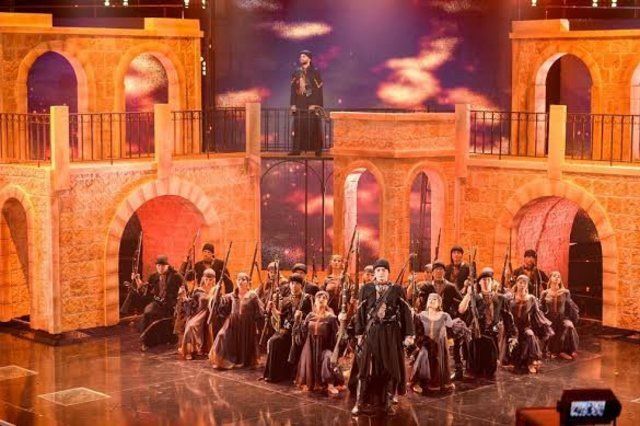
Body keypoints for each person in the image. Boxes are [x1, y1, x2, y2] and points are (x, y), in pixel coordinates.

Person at [352, 259, 414, 416]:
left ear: (388, 273)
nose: (381, 273)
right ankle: (360, 402)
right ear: (374, 273)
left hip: (391, 332)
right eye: (378, 270)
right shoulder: (366, 289)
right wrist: (359, 333)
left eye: (384, 270)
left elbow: (406, 312)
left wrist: (409, 334)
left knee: (390, 367)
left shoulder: (397, 289)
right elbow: (360, 313)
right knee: (366, 367)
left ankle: (387, 402)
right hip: (372, 331)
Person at [458, 267, 515, 379]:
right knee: (475, 370)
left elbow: (508, 318)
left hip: (493, 335)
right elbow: (461, 310)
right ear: (479, 283)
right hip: (477, 335)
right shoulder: (474, 297)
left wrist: (513, 335)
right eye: (483, 280)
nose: (486, 282)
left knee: (490, 371)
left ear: (492, 282)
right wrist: (468, 295)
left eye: (489, 280)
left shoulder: (500, 298)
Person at [262, 274, 313, 382]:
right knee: (273, 341)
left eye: (297, 283)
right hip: (286, 330)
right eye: (292, 283)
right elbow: (281, 317)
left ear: (301, 285)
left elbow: (311, 316)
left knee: (276, 341)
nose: (294, 286)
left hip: (300, 332)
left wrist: (301, 317)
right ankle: (274, 375)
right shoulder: (286, 300)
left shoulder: (307, 299)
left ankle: (283, 374)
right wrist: (273, 308)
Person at [295, 291, 345, 395]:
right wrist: (298, 320)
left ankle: (330, 384)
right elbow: (303, 332)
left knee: (328, 357)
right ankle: (314, 382)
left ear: (327, 302)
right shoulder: (310, 315)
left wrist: (337, 349)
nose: (321, 299)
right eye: (319, 297)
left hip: (325, 346)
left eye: (324, 298)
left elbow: (338, 335)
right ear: (315, 301)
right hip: (310, 347)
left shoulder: (331, 318)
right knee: (309, 362)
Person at [210, 273, 264, 369]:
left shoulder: (252, 295)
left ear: (248, 282)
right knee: (222, 335)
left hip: (247, 324)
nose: (240, 281)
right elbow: (220, 303)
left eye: (243, 279)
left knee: (243, 343)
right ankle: (224, 360)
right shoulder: (232, 295)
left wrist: (257, 326)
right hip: (233, 322)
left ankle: (241, 361)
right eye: (239, 279)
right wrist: (218, 291)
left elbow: (259, 311)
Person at [506, 275, 554, 374]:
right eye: (520, 282)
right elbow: (505, 311)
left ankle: (531, 362)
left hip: (525, 326)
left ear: (527, 285)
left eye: (524, 283)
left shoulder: (531, 298)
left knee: (530, 334)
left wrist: (543, 325)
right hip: (513, 327)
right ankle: (512, 360)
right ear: (517, 283)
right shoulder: (510, 297)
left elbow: (537, 312)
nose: (522, 285)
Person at [411, 293, 455, 392]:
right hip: (425, 343)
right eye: (429, 299)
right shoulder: (421, 315)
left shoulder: (444, 315)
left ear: (439, 303)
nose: (431, 301)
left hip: (438, 344)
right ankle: (417, 382)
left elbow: (450, 327)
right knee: (422, 357)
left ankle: (437, 382)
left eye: (434, 299)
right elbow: (415, 328)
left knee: (437, 363)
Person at [138, 255, 184, 351]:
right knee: (147, 313)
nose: (160, 268)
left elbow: (185, 288)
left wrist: (180, 297)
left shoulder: (176, 276)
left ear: (167, 266)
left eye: (163, 266)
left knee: (158, 315)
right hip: (158, 302)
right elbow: (146, 291)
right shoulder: (154, 277)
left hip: (171, 304)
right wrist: (137, 281)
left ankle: (166, 338)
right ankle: (146, 341)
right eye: (158, 265)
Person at [290, 49, 324, 156]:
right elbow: (293, 89)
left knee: (314, 127)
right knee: (298, 127)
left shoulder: (315, 72)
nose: (301, 58)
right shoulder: (296, 72)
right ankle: (296, 150)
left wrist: (316, 105)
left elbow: (318, 90)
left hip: (311, 104)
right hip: (299, 104)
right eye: (300, 56)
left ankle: (317, 150)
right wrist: (293, 104)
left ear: (309, 59)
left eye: (304, 56)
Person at [540, 271, 579, 360]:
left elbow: (570, 306)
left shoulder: (565, 292)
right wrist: (542, 320)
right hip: (549, 319)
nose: (557, 277)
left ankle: (569, 350)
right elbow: (541, 308)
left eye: (558, 276)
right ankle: (556, 351)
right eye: (554, 276)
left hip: (561, 318)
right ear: (550, 279)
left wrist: (570, 318)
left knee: (569, 325)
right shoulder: (545, 293)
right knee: (549, 329)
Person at [180, 269, 216, 360]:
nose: (208, 281)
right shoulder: (198, 291)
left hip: (212, 314)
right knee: (191, 326)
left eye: (210, 279)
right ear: (203, 279)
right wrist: (184, 298)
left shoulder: (216, 290)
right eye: (206, 279)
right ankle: (190, 351)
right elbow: (191, 303)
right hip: (199, 314)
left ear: (214, 280)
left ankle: (206, 350)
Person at [174, 270, 197, 350]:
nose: (188, 285)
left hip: (194, 313)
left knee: (183, 318)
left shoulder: (197, 291)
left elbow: (193, 306)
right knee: (180, 313)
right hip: (187, 312)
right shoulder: (187, 290)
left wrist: (185, 299)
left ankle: (185, 345)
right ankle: (182, 344)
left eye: (189, 283)